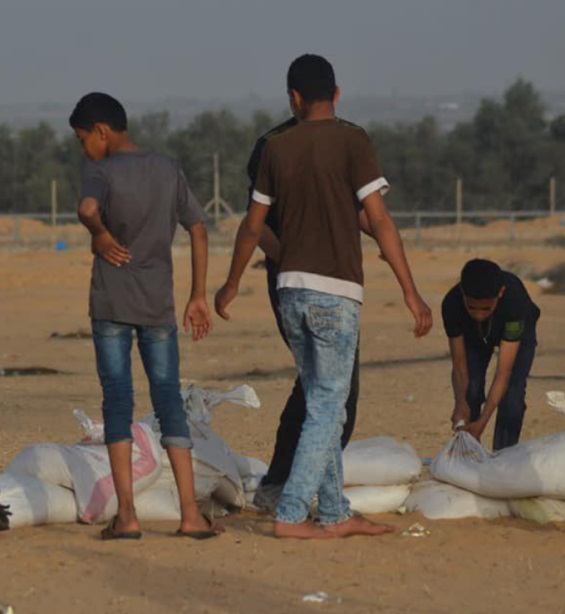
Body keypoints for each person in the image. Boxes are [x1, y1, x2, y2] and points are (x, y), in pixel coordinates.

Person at [215, 54, 432, 539]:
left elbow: (252, 226)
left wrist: (230, 284)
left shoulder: (274, 147)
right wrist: (411, 291)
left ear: (293, 98)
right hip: (335, 292)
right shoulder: (354, 140)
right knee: (330, 404)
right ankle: (291, 513)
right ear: (336, 94)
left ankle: (334, 511)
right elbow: (378, 219)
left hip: (288, 290)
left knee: (321, 398)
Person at [70, 92, 219, 540]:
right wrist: (197, 295)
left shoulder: (101, 170)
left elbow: (87, 209)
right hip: (158, 306)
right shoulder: (167, 169)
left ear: (101, 131)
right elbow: (197, 227)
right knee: (169, 400)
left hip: (111, 305)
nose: (83, 149)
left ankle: (128, 516)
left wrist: (98, 234)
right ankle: (191, 515)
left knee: (117, 401)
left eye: (82, 139)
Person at [246, 117, 360, 514]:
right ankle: (288, 496)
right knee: (330, 394)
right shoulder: (273, 145)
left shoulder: (344, 140)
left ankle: (326, 504)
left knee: (322, 390)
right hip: (297, 283)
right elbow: (257, 224)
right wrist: (294, 260)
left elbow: (359, 211)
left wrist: (384, 236)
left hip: (331, 282)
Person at [442, 258, 540, 450]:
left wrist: (483, 422)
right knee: (471, 388)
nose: (479, 314)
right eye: (471, 307)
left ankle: (503, 455)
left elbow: (504, 372)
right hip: (475, 334)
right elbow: (460, 368)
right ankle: (470, 452)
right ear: (462, 294)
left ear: (500, 293)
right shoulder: (451, 305)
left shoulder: (514, 300)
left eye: (486, 308)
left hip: (520, 328)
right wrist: (460, 402)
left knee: (512, 396)